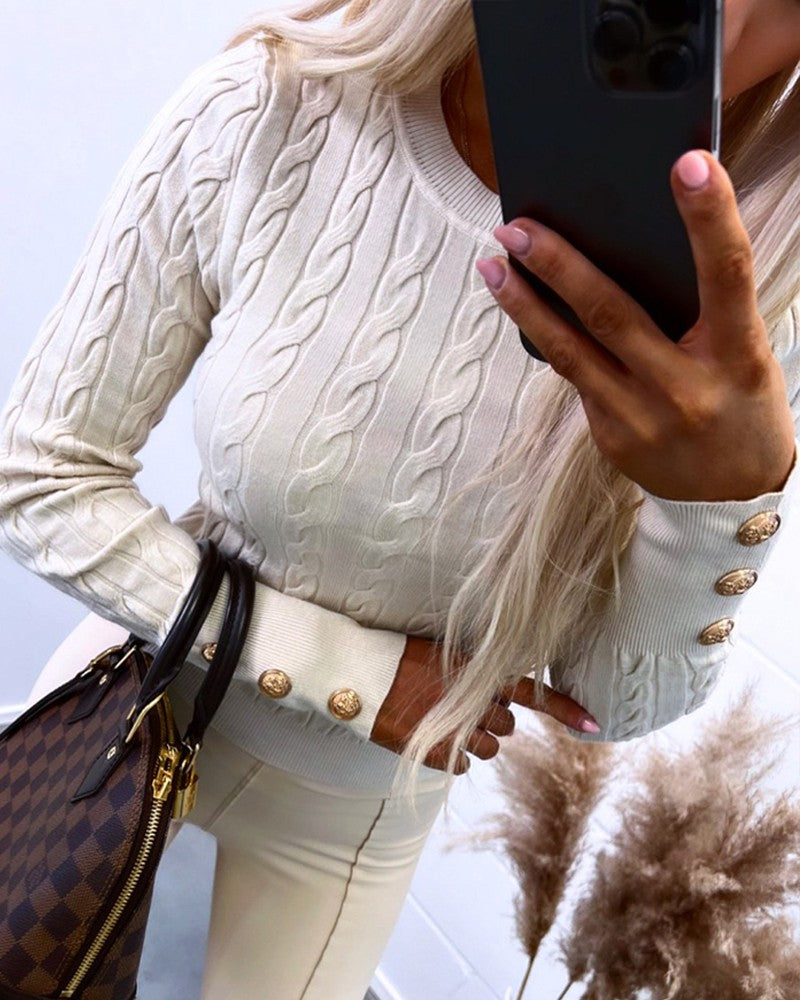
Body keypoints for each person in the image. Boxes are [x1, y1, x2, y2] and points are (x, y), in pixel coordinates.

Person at [1, 1, 799, 997]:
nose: (730, 16)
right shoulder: (279, 102)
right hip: (122, 698)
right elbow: (40, 476)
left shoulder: (752, 320)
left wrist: (718, 507)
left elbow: (610, 703)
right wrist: (352, 675)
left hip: (339, 837)